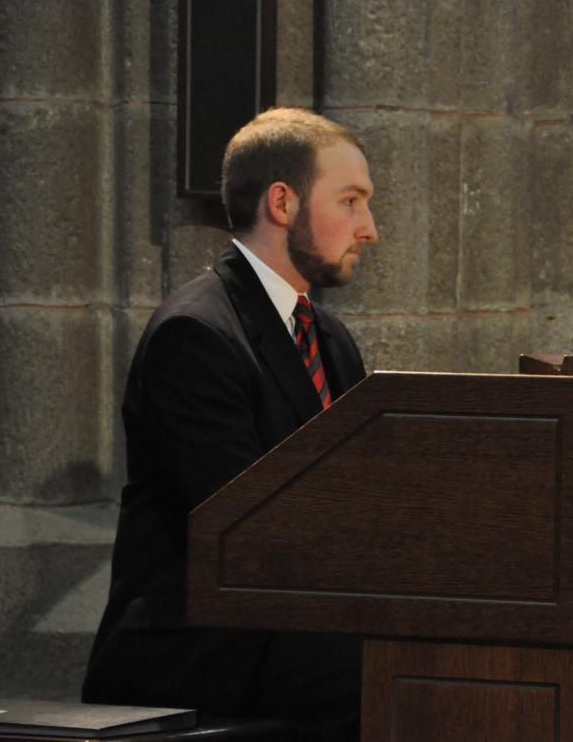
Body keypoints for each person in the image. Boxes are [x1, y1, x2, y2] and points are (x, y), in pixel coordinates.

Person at [83, 108, 378, 741]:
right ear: (281, 202)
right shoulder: (196, 333)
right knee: (387, 672)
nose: (369, 229)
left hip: (286, 625)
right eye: (351, 202)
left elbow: (361, 493)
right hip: (195, 638)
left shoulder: (329, 338)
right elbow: (243, 526)